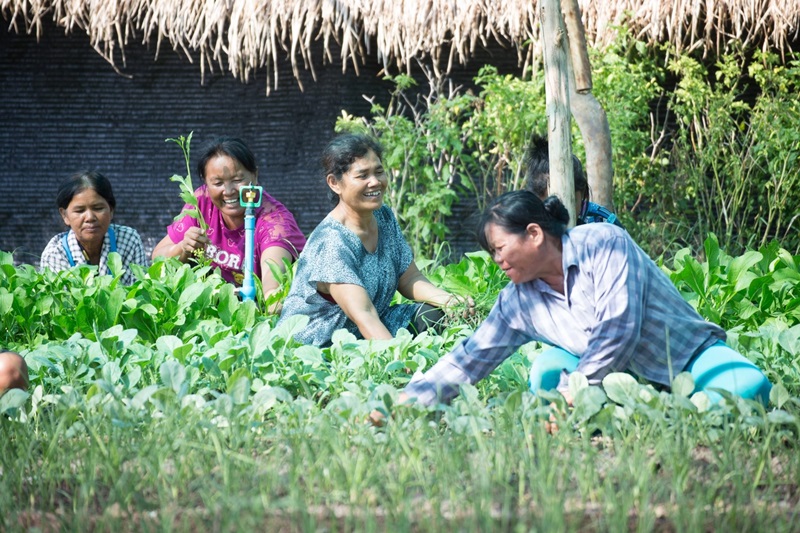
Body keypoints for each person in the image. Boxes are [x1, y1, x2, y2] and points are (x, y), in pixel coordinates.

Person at [388, 190, 771, 412]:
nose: (497, 261)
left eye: (501, 249)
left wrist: (576, 391)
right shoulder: (517, 300)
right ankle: (645, 407)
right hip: (609, 380)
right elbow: (471, 357)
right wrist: (406, 402)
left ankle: (664, 406)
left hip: (687, 357)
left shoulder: (604, 242)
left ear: (534, 234)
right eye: (492, 254)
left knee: (748, 385)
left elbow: (618, 329)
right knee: (544, 375)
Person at [277, 133, 469, 346]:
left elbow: (409, 278)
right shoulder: (332, 242)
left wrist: (449, 301)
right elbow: (364, 314)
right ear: (334, 183)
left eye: (379, 172)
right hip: (325, 343)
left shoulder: (383, 216)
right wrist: (399, 360)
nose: (375, 182)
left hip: (370, 326)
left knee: (432, 314)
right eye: (362, 175)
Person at [152, 136, 306, 307]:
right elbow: (157, 258)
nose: (229, 191)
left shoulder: (275, 223)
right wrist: (183, 248)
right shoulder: (201, 202)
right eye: (218, 183)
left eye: (237, 180)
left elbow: (272, 294)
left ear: (255, 176)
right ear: (206, 182)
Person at [40, 171, 148, 285]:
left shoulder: (128, 240)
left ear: (111, 210)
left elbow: (140, 292)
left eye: (98, 208)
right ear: (65, 215)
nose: (90, 217)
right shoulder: (55, 254)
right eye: (80, 210)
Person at [525, 134, 623, 228]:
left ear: (583, 193)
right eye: (547, 205)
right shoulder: (524, 221)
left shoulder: (603, 224)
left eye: (568, 202)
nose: (559, 214)